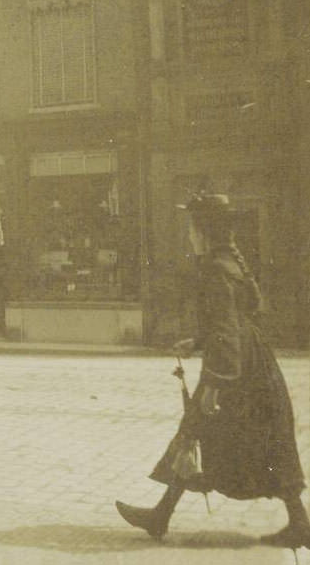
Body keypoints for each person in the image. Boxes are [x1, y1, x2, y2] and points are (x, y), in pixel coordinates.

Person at [115, 193, 309, 554]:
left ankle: (161, 515)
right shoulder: (230, 263)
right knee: (256, 439)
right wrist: (200, 341)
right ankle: (298, 522)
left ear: (203, 230)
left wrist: (215, 386)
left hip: (233, 372)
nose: (189, 235)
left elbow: (228, 329)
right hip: (252, 365)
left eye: (191, 228)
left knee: (198, 432)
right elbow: (242, 315)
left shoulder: (216, 270)